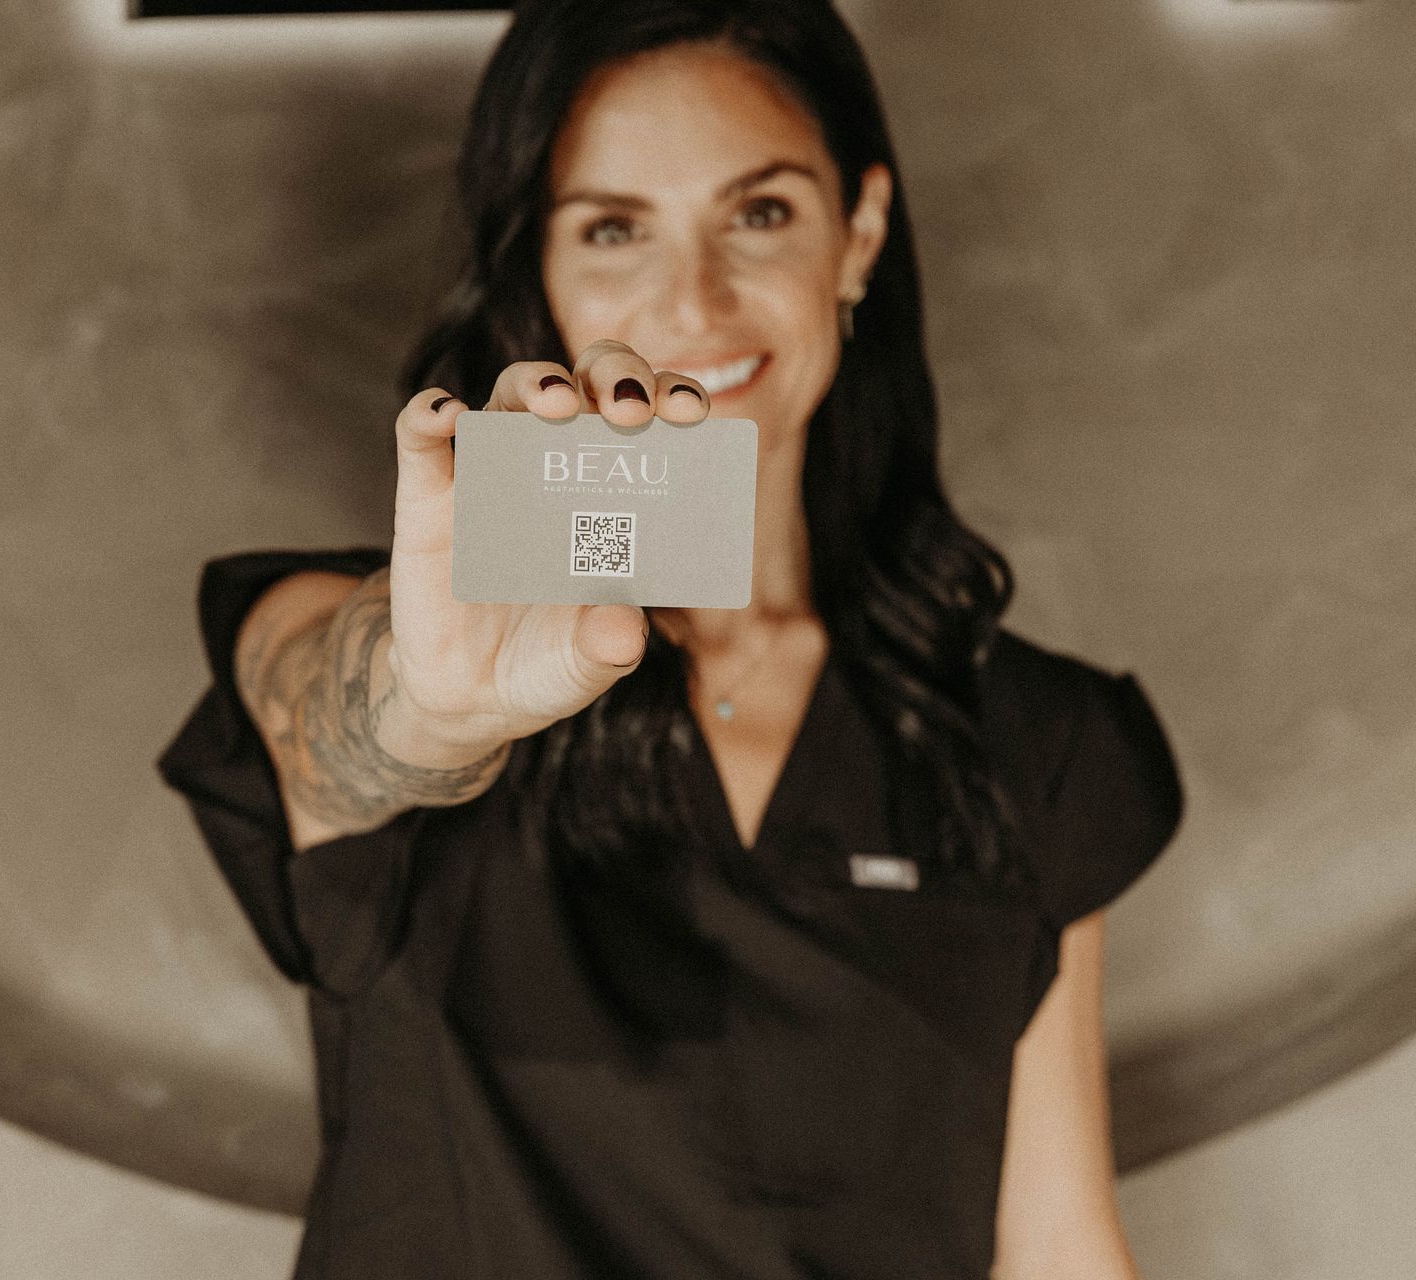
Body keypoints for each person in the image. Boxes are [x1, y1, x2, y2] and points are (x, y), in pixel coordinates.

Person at [157, 0, 1183, 1276]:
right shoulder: (386, 631)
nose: (693, 300)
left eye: (759, 213)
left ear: (857, 236)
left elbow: (1059, 1245)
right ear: (531, 261)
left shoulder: (1035, 742)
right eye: (613, 229)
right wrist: (434, 705)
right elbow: (343, 736)